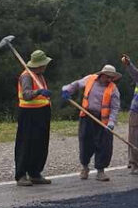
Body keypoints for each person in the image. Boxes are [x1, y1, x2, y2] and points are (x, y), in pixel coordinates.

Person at [61, 65, 122, 182]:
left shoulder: (113, 89)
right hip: (87, 116)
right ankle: (85, 168)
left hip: (103, 121)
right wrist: (67, 90)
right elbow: (77, 84)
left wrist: (111, 122)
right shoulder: (90, 79)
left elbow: (115, 108)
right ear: (102, 75)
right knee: (85, 143)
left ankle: (100, 171)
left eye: (112, 78)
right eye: (108, 77)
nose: (110, 80)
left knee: (104, 146)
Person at [14, 49, 54, 187]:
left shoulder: (39, 75)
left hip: (42, 113)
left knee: (40, 144)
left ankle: (35, 173)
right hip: (28, 114)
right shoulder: (27, 76)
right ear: (38, 65)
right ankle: (21, 175)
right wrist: (38, 91)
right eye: (44, 64)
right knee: (26, 144)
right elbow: (26, 94)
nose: (46, 66)